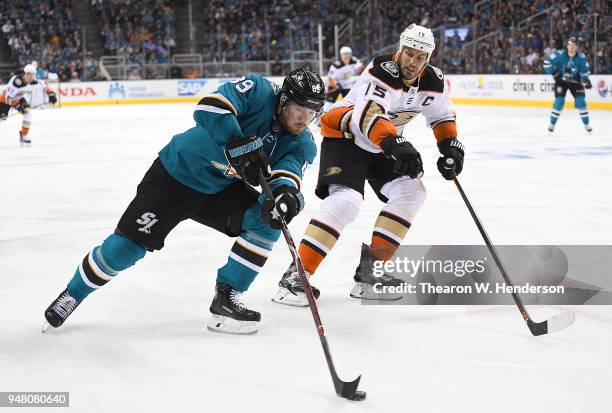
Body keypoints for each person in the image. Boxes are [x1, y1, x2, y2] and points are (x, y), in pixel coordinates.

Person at [43, 68, 326, 335]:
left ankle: (227, 297)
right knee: (126, 248)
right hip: (175, 174)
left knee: (267, 221)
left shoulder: (302, 143)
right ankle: (73, 294)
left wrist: (286, 198)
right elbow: (209, 106)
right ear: (282, 101)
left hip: (219, 189)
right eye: (298, 110)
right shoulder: (259, 91)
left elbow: (287, 177)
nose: (303, 119)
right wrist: (236, 143)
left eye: (311, 113)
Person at [272, 24, 465, 306]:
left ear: (428, 58)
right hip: (346, 135)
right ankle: (296, 276)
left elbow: (441, 116)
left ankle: (370, 272)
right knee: (346, 201)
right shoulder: (382, 70)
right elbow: (368, 115)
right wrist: (395, 143)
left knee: (412, 192)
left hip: (380, 142)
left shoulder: (433, 81)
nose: (413, 62)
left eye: (420, 57)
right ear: (400, 50)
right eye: (409, 54)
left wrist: (449, 146)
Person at [543, 37, 593, 133]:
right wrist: (554, 73)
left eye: (574, 45)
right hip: (561, 81)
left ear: (576, 46)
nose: (572, 47)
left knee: (581, 102)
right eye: (570, 45)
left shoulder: (581, 57)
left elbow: (585, 72)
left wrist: (586, 80)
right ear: (567, 46)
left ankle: (587, 125)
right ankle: (552, 124)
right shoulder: (560, 54)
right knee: (559, 101)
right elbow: (546, 62)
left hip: (575, 82)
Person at [0, 64, 58, 144]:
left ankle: (24, 135)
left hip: (19, 98)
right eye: (29, 75)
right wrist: (17, 105)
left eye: (33, 75)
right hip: (4, 99)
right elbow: (7, 97)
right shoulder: (17, 82)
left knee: (28, 113)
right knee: (2, 117)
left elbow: (45, 87)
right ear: (25, 74)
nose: (31, 77)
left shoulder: (33, 80)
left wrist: (51, 94)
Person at [323, 46, 364, 113]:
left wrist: (361, 73)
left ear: (351, 54)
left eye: (348, 54)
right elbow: (330, 78)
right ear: (341, 55)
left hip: (347, 86)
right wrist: (336, 84)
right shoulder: (336, 65)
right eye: (344, 54)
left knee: (350, 104)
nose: (346, 56)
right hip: (335, 86)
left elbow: (362, 69)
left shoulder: (355, 61)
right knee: (328, 104)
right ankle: (324, 116)